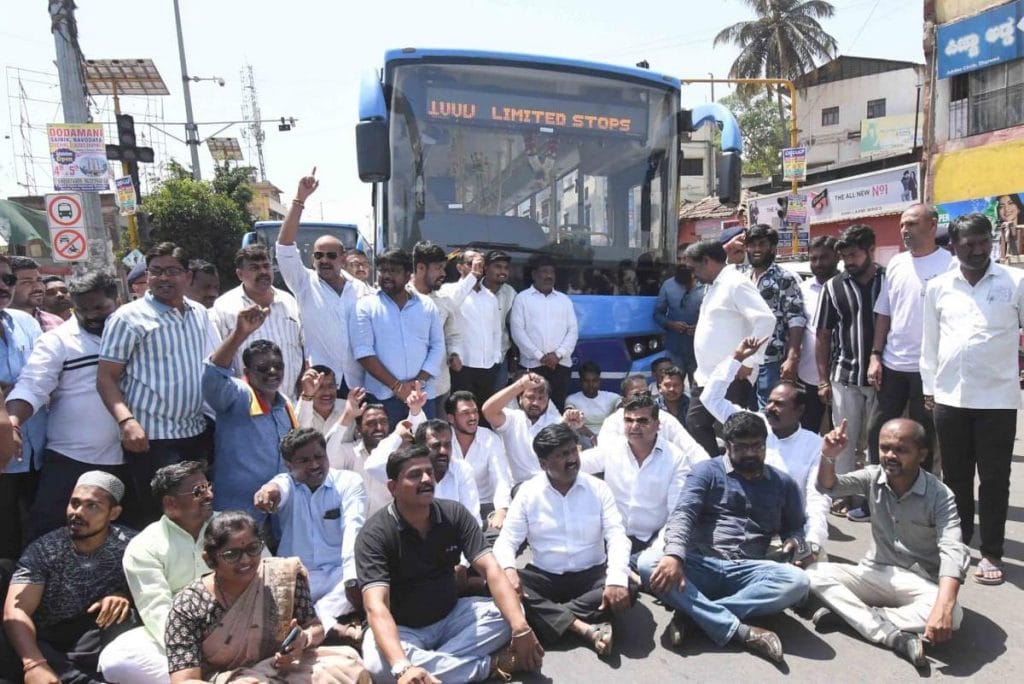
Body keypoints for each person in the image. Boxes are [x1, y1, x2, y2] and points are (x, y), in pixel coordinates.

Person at [355, 445, 544, 682]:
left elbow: (491, 569)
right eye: (415, 475)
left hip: (452, 616)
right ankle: (490, 666)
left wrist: (521, 628)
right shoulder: (375, 534)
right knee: (378, 666)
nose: (426, 479)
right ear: (393, 487)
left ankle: (427, 670)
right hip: (401, 629)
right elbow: (376, 606)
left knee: (512, 613)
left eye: (429, 472)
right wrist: (403, 666)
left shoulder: (453, 514)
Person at [637, 412, 810, 663]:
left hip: (747, 572)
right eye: (742, 447)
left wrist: (795, 541)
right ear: (727, 446)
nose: (751, 453)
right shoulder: (706, 471)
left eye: (757, 446)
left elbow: (795, 528)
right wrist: (674, 555)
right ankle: (740, 630)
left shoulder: (783, 483)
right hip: (702, 565)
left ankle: (694, 615)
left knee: (798, 581)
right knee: (647, 562)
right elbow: (683, 513)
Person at [808, 418, 969, 667]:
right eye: (885, 448)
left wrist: (944, 607)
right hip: (876, 572)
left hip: (919, 581)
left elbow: (953, 550)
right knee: (814, 573)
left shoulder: (940, 495)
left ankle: (853, 617)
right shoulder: (873, 476)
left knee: (954, 615)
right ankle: (892, 636)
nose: (890, 455)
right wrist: (828, 456)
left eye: (901, 450)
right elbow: (828, 486)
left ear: (922, 454)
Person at [921, 212, 1024, 587]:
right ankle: (959, 544)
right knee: (956, 478)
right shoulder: (939, 286)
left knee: (995, 480)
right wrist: (929, 388)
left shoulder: (1015, 281)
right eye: (970, 244)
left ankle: (992, 551)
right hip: (950, 398)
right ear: (954, 246)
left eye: (984, 242)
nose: (978, 250)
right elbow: (929, 344)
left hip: (997, 400)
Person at [164, 511, 369, 683]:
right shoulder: (189, 605)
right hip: (230, 679)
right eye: (231, 555)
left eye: (253, 549)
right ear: (209, 560)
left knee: (348, 665)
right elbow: (185, 680)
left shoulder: (283, 576)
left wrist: (302, 641)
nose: (246, 560)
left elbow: (314, 626)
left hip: (286, 668)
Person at [97, 242, 214, 527]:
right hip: (152, 439)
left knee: (198, 511)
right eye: (156, 271)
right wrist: (126, 422)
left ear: (188, 276)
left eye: (172, 271)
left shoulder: (199, 313)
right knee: (163, 517)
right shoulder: (128, 318)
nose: (164, 278)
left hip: (195, 433)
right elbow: (106, 378)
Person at [494, 424, 635, 656]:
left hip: (591, 575)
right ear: (543, 464)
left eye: (572, 451)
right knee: (500, 584)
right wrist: (509, 570)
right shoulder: (528, 493)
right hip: (546, 576)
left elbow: (617, 536)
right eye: (561, 455)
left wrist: (616, 580)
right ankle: (582, 627)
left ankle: (549, 619)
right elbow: (507, 540)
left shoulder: (598, 488)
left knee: (627, 585)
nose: (571, 460)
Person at [5, 272, 124, 539]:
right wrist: (13, 422)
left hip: (130, 456)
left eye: (100, 308)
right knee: (51, 537)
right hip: (72, 460)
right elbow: (33, 386)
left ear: (116, 299)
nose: (91, 315)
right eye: (81, 309)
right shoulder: (58, 340)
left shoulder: (134, 332)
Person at [701, 337, 831, 562]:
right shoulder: (752, 423)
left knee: (814, 578)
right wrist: (737, 358)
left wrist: (813, 543)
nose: (770, 407)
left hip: (787, 532)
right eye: (769, 401)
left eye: (779, 404)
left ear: (799, 411)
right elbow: (710, 398)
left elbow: (817, 497)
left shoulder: (814, 444)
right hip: (739, 523)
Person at [0, 472, 135, 683]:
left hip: (91, 638)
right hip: (44, 639)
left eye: (92, 506)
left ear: (114, 513)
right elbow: (16, 610)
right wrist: (34, 664)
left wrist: (124, 595)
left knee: (125, 618)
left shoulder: (132, 544)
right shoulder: (45, 549)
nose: (78, 512)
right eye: (75, 503)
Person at [98, 462, 216, 684]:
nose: (209, 494)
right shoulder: (145, 545)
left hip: (240, 625)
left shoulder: (231, 527)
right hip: (183, 636)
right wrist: (192, 654)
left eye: (208, 486)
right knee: (117, 659)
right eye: (198, 491)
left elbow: (266, 572)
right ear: (170, 503)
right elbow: (158, 611)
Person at [254, 428, 366, 640]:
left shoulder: (349, 482)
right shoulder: (286, 482)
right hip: (299, 577)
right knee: (270, 588)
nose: (314, 465)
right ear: (289, 464)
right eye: (304, 460)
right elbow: (276, 487)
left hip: (338, 573)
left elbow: (354, 529)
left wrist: (352, 579)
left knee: (366, 574)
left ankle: (316, 619)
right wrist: (267, 493)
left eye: (319, 457)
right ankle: (333, 627)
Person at [867, 204, 951, 475]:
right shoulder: (896, 263)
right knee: (876, 431)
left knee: (922, 438)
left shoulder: (950, 264)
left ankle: (921, 499)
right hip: (893, 365)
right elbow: (884, 312)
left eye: (912, 224)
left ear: (932, 225)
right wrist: (875, 355)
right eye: (902, 224)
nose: (905, 230)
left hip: (929, 369)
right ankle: (877, 493)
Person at [578, 394, 703, 565]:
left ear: (658, 425)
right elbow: (574, 465)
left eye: (643, 421)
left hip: (652, 541)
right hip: (612, 537)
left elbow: (676, 514)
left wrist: (655, 552)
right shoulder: (611, 448)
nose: (634, 426)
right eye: (628, 420)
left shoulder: (676, 458)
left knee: (653, 569)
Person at [815, 224, 886, 522]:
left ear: (871, 250)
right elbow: (823, 334)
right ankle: (843, 495)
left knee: (878, 444)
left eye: (854, 255)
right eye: (844, 257)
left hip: (883, 378)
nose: (849, 262)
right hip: (844, 376)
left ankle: (878, 500)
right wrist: (822, 379)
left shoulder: (889, 280)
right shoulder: (834, 286)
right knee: (843, 443)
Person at [276, 169, 369, 394]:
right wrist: (300, 199)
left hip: (358, 382)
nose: (324, 260)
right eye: (318, 255)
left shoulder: (361, 289)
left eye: (330, 255)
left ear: (343, 258)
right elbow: (284, 246)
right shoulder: (303, 283)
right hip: (320, 384)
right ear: (312, 258)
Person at [683, 239, 775, 457]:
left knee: (730, 430)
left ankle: (737, 473)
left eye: (693, 268)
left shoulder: (736, 283)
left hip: (732, 374)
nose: (692, 275)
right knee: (696, 423)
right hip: (706, 375)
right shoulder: (714, 285)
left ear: (706, 261)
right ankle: (715, 470)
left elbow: (765, 320)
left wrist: (749, 361)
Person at [203, 305, 298, 515]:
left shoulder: (286, 405)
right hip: (239, 511)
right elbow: (213, 376)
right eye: (263, 367)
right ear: (247, 371)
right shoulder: (238, 395)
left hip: (279, 511)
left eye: (278, 366)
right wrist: (239, 334)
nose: (273, 371)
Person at [354, 248, 444, 425]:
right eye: (383, 270)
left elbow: (438, 345)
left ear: (408, 273)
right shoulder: (366, 306)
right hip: (382, 397)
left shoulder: (426, 305)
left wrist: (418, 382)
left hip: (421, 395)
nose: (386, 275)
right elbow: (364, 353)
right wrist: (398, 387)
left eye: (393, 271)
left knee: (423, 446)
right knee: (388, 449)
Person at [212, 244, 304, 400]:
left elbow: (302, 351)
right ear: (240, 274)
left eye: (266, 266)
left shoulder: (289, 302)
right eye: (254, 268)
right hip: (246, 407)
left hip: (289, 406)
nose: (263, 272)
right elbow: (217, 363)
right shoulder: (224, 307)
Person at [0, 255, 46, 561]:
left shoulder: (26, 323)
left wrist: (9, 388)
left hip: (38, 452)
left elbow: (46, 379)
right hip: (3, 458)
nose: (4, 286)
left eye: (8, 280)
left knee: (38, 531)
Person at [736, 225, 806, 409]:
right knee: (743, 411)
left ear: (773, 248)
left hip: (771, 360)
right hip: (743, 359)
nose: (756, 249)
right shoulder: (741, 278)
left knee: (769, 410)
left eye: (762, 244)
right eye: (752, 244)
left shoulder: (784, 278)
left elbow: (796, 319)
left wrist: (792, 357)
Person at [410, 242, 476, 416]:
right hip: (408, 387)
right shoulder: (401, 298)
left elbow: (453, 335)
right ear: (421, 268)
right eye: (438, 268)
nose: (443, 274)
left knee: (437, 437)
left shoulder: (444, 300)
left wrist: (454, 354)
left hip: (439, 386)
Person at [509, 253, 579, 411]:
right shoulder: (522, 299)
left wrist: (558, 355)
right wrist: (540, 356)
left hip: (560, 365)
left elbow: (573, 331)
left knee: (557, 407)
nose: (549, 276)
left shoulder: (564, 300)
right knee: (531, 407)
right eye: (544, 271)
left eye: (552, 272)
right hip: (533, 365)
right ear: (534, 274)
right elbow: (518, 332)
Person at [597, 374, 708, 460]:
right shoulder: (612, 422)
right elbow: (604, 453)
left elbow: (691, 449)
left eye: (645, 394)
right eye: (636, 395)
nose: (642, 399)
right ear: (624, 400)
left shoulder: (664, 418)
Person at [482, 371, 563, 487]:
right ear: (520, 399)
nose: (536, 403)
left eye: (541, 398)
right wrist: (520, 385)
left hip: (550, 487)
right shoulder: (512, 419)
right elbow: (488, 410)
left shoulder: (557, 422)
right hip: (518, 489)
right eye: (530, 397)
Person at [446, 391, 512, 531]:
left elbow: (500, 479)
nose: (473, 417)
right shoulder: (443, 441)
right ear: (451, 418)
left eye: (475, 412)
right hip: (451, 507)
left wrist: (501, 512)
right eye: (465, 413)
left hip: (485, 506)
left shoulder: (490, 438)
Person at [327, 388, 393, 517]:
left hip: (385, 529)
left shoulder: (397, 454)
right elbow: (327, 458)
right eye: (371, 423)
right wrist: (347, 415)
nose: (379, 428)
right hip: (351, 526)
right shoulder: (349, 452)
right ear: (359, 429)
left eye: (383, 422)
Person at [796, 236, 839, 433]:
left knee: (837, 432)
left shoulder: (846, 286)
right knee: (807, 431)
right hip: (808, 375)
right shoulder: (802, 290)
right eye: (814, 259)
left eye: (824, 258)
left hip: (842, 376)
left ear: (837, 257)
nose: (819, 263)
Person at [450, 253, 503, 410]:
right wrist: (472, 276)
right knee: (463, 411)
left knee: (484, 412)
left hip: (488, 367)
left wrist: (496, 358)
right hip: (463, 365)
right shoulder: (451, 290)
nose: (477, 267)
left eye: (480, 264)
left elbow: (496, 331)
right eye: (471, 263)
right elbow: (452, 304)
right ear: (460, 267)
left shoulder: (490, 297)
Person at [654, 244, 704, 388]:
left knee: (700, 388)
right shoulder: (668, 286)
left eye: (686, 259)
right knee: (673, 387)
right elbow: (657, 314)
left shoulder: (706, 285)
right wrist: (671, 324)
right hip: (674, 349)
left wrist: (699, 328)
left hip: (699, 350)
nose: (682, 263)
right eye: (679, 259)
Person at [480, 250, 517, 391]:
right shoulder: (473, 290)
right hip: (475, 362)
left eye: (506, 268)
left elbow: (513, 328)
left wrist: (514, 358)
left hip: (500, 359)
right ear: (485, 268)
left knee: (496, 405)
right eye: (498, 267)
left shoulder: (510, 293)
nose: (503, 271)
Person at [565, 361, 621, 447]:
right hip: (584, 438)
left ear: (599, 381)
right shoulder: (572, 399)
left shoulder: (611, 397)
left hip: (608, 436)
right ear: (581, 381)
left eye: (594, 381)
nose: (591, 384)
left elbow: (623, 410)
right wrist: (592, 437)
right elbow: (570, 419)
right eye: (586, 381)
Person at [9, 256, 64, 332]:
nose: (38, 287)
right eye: (27, 282)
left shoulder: (55, 322)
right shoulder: (4, 325)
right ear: (7, 285)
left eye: (39, 280)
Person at [297, 365, 344, 433]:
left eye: (331, 386)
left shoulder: (349, 409)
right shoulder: (298, 409)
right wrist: (308, 396)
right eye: (320, 386)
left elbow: (362, 441)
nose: (327, 392)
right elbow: (301, 437)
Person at [996, 193, 1023, 262]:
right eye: (1002, 206)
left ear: (1018, 207)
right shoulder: (995, 234)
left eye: (1010, 203)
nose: (1006, 209)